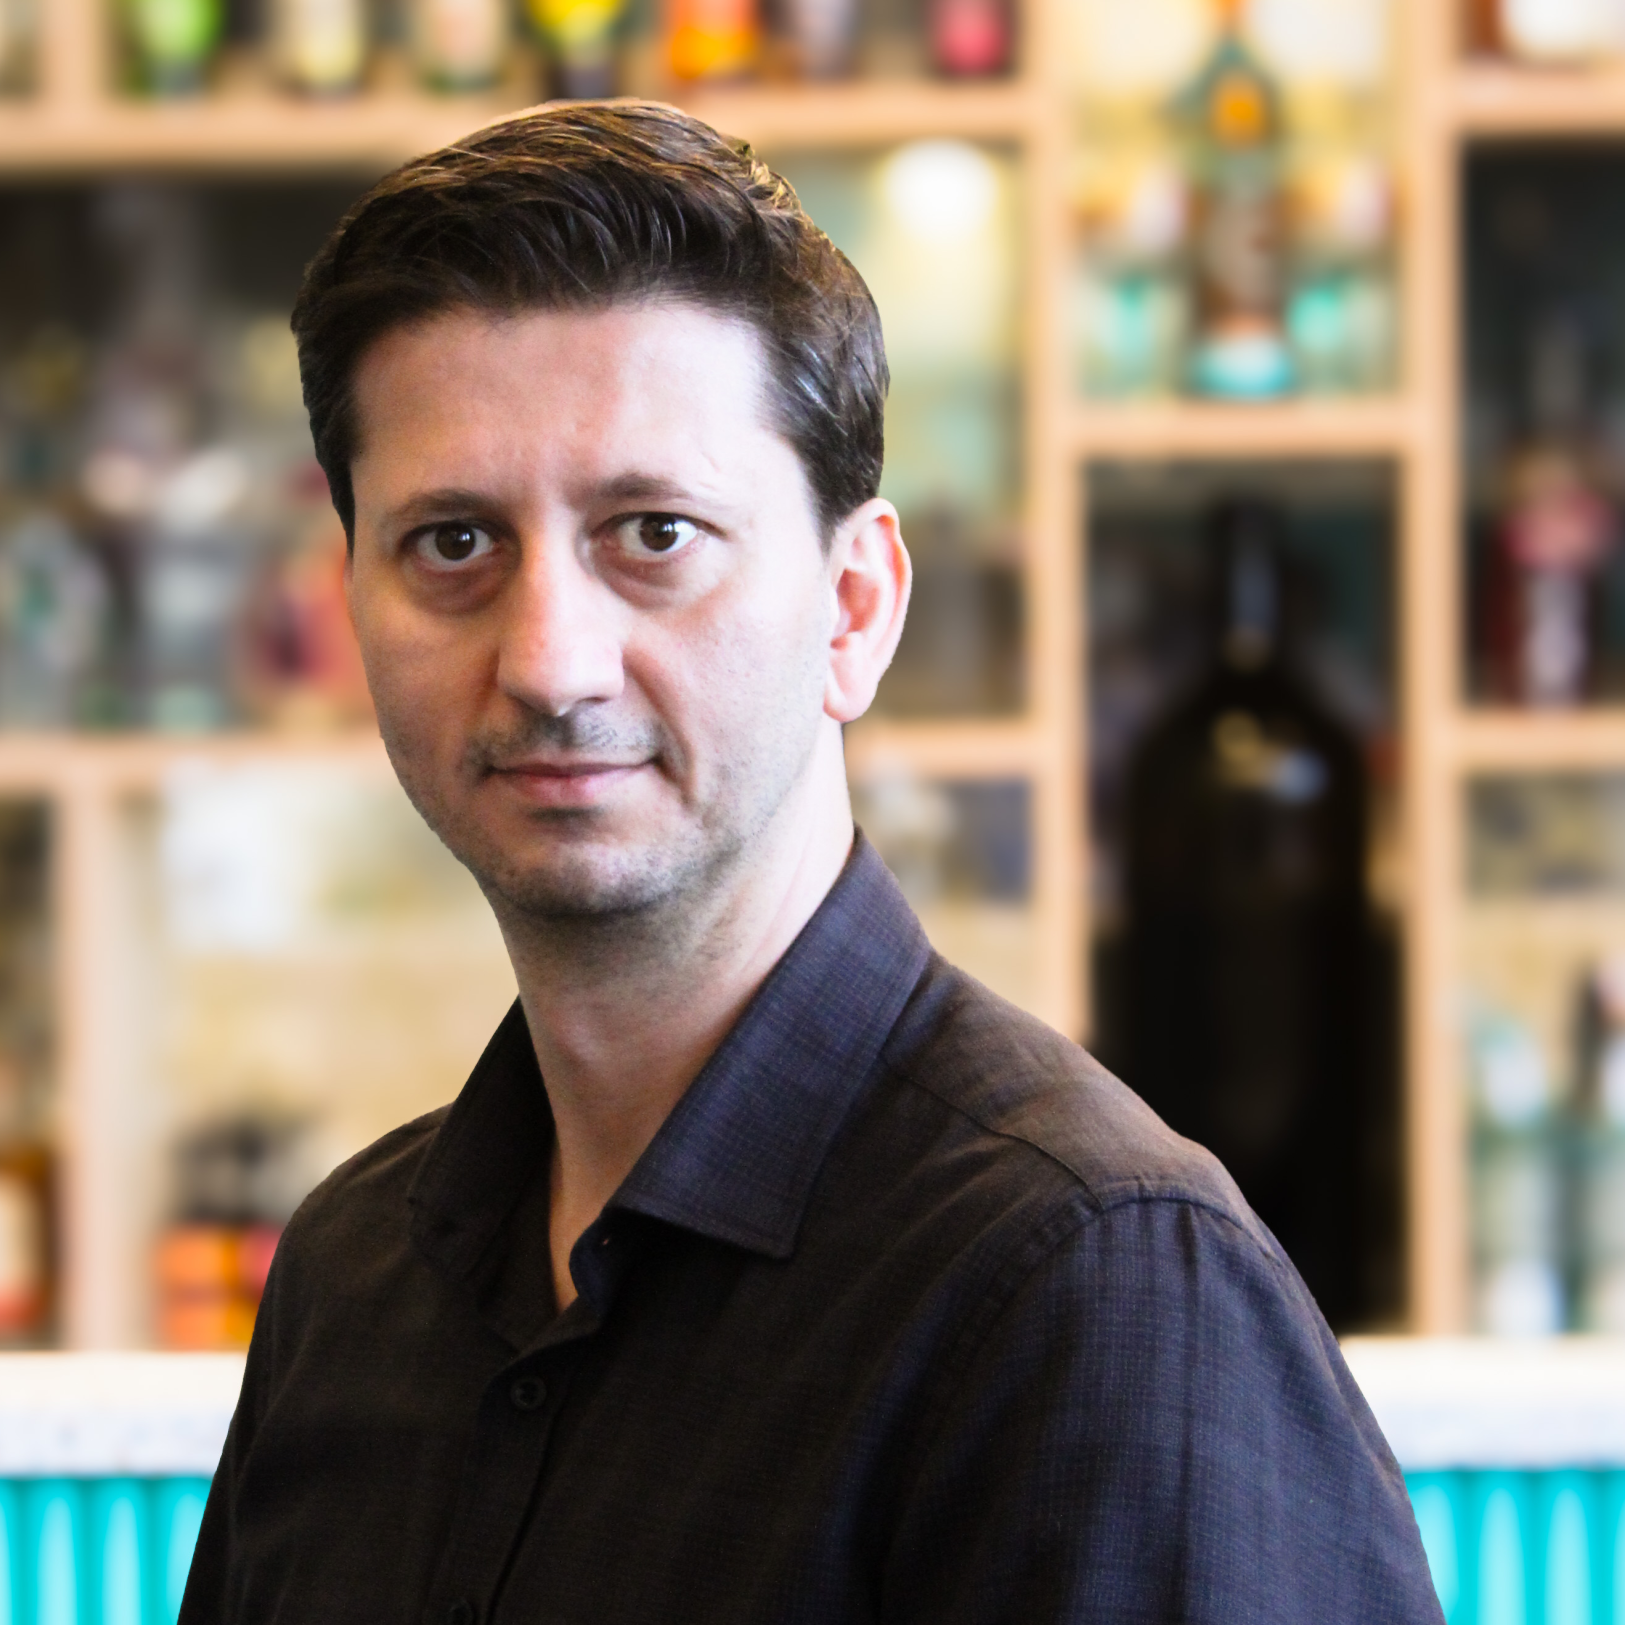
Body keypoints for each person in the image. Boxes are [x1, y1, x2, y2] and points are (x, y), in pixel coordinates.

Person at [178, 102, 1441, 1624]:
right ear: (355, 606)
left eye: (653, 532)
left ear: (855, 608)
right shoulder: (350, 1281)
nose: (550, 659)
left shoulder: (1093, 1292)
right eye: (454, 544)